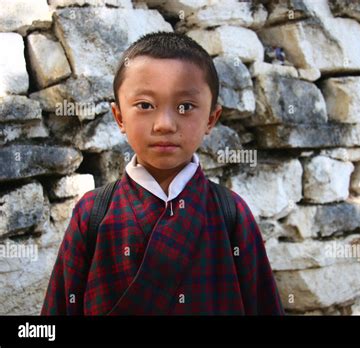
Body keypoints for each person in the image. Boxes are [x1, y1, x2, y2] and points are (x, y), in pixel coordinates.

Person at [41, 32, 285, 315]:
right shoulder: (93, 214)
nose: (165, 124)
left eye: (185, 107)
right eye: (145, 105)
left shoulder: (231, 214)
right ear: (119, 117)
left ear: (211, 119)